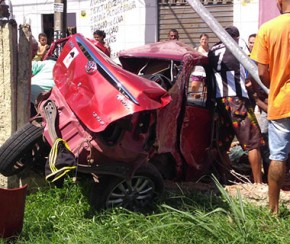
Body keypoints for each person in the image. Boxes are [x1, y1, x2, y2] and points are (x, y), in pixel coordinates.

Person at [208, 26, 264, 184]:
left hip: (220, 102)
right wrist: (255, 91)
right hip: (238, 100)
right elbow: (253, 73)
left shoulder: (212, 51)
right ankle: (258, 184)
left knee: (222, 143)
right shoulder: (237, 50)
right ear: (236, 37)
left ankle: (225, 179)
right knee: (253, 142)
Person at [250, 0, 290, 214]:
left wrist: (276, 86)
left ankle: (273, 211)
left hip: (282, 101)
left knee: (277, 156)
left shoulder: (268, 29)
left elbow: (262, 72)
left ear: (280, 2)